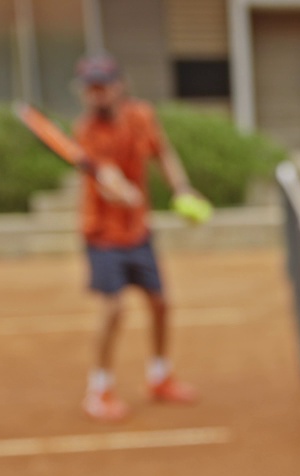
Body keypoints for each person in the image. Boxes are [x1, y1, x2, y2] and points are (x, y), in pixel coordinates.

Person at [72, 54, 201, 421]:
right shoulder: (86, 131)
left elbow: (163, 153)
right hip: (102, 235)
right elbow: (105, 175)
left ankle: (159, 376)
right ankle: (99, 388)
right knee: (113, 309)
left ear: (119, 86)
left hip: (137, 232)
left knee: (160, 302)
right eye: (90, 89)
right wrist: (120, 190)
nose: (96, 95)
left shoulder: (141, 116)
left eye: (102, 86)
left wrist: (182, 189)